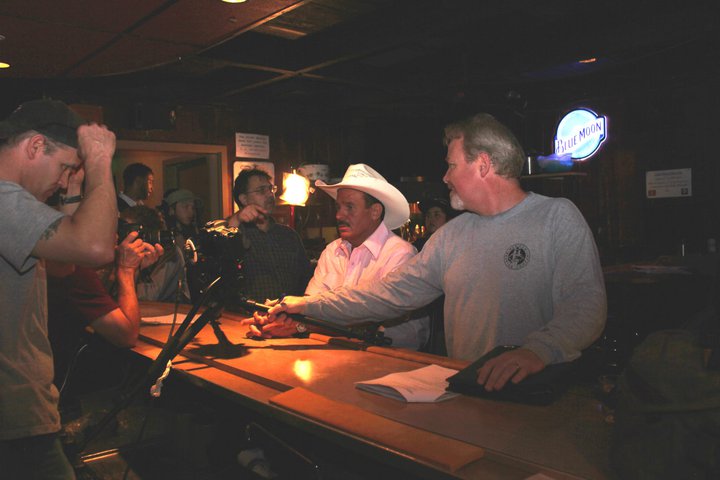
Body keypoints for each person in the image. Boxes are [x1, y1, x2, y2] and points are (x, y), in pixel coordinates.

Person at [263, 113, 607, 392]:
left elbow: (586, 304)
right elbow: (386, 296)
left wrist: (538, 350)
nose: (444, 177)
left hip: (539, 393)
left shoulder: (556, 216)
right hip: (469, 390)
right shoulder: (450, 236)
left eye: (452, 166)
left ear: (483, 165)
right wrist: (307, 305)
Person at [0, 99, 117, 478]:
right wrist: (99, 163)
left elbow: (67, 265)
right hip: (11, 412)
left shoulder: (18, 204)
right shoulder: (3, 198)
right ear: (35, 147)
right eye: (65, 167)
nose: (64, 179)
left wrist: (72, 193)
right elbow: (97, 249)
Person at [249, 164, 429, 349]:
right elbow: (312, 312)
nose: (339, 215)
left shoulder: (400, 254)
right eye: (339, 207)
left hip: (395, 361)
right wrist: (282, 323)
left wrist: (298, 320)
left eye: (349, 207)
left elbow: (369, 320)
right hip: (339, 355)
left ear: (375, 211)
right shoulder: (332, 251)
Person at [225, 168, 312, 303]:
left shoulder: (289, 235)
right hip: (248, 315)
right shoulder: (236, 232)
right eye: (261, 191)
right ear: (244, 199)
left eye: (270, 189)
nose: (270, 195)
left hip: (289, 316)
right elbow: (221, 248)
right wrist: (237, 218)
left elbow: (307, 278)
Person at [120, 205, 190, 303]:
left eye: (127, 231)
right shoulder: (122, 252)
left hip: (168, 314)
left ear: (145, 235)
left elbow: (148, 297)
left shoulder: (168, 251)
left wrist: (128, 269)